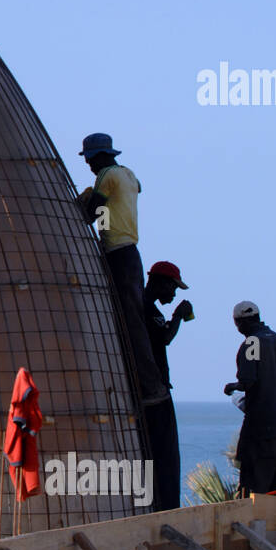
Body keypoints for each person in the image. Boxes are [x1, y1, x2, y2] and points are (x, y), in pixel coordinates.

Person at [76, 132, 167, 403]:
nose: (89, 166)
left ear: (98, 157)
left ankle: (148, 386)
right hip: (131, 253)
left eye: (90, 160)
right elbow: (138, 187)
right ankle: (149, 382)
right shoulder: (127, 174)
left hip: (117, 252)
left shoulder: (106, 176)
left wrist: (86, 198)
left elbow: (90, 214)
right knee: (134, 319)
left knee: (129, 322)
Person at [143, 261, 193, 510]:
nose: (173, 295)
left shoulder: (143, 305)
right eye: (172, 288)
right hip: (154, 393)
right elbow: (164, 338)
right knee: (165, 455)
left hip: (152, 387)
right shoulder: (149, 309)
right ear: (161, 283)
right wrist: (178, 317)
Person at [224, 301, 276, 496]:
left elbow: (248, 381)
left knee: (253, 492)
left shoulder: (252, 343)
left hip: (260, 432)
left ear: (238, 323)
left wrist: (232, 387)